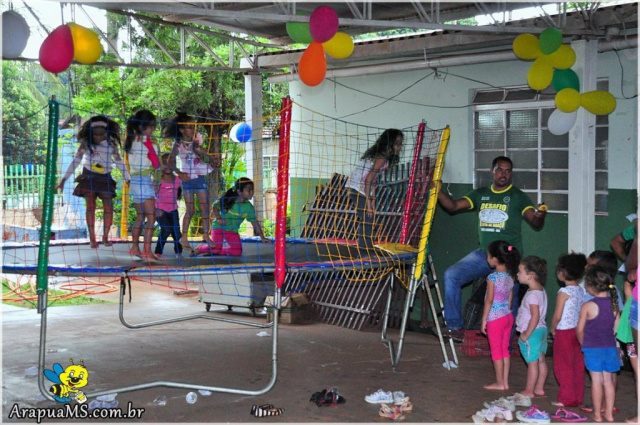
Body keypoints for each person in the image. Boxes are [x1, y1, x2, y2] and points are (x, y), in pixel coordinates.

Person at [437, 156, 547, 342]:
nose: (503, 174)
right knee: (451, 275)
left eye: (508, 170)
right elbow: (453, 206)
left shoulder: (518, 197)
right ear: (492, 171)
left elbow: (535, 222)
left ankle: (508, 339)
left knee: (509, 299)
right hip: (484, 254)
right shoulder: (480, 194)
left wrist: (540, 215)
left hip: (509, 257)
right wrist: (438, 191)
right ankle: (454, 327)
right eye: (500, 169)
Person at [55, 116, 130, 249]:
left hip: (105, 177)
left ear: (107, 132)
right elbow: (76, 161)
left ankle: (105, 237)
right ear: (90, 133)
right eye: (95, 134)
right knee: (90, 207)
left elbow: (119, 161)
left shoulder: (111, 145)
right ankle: (92, 238)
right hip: (89, 176)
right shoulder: (86, 144)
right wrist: (63, 179)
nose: (98, 137)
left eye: (102, 134)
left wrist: (127, 177)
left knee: (108, 207)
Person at [165, 112, 221, 254]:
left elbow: (198, 150)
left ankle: (206, 234)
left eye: (193, 126)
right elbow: (170, 161)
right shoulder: (178, 144)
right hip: (187, 180)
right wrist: (179, 173)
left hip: (199, 177)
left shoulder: (196, 140)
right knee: (191, 210)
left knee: (205, 207)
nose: (192, 129)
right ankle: (184, 237)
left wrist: (210, 156)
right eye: (189, 127)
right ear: (182, 130)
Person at [345, 129, 403, 249]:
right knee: (367, 217)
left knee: (368, 216)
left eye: (400, 143)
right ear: (389, 143)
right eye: (397, 143)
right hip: (357, 187)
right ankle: (364, 247)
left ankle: (366, 245)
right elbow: (368, 179)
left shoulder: (383, 156)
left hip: (359, 186)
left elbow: (373, 181)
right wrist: (368, 201)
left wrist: (373, 201)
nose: (400, 147)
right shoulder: (381, 157)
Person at [577, 265, 621, 423]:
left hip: (592, 349)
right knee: (608, 381)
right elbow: (617, 329)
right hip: (610, 348)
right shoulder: (615, 305)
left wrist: (583, 343)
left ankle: (597, 415)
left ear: (590, 286)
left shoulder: (587, 306)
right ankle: (609, 414)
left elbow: (580, 329)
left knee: (596, 382)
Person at [480, 240, 521, 391]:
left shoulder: (492, 278)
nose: (487, 259)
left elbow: (489, 300)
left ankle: (499, 382)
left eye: (489, 256)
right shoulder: (510, 276)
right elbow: (510, 300)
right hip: (508, 316)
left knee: (496, 351)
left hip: (495, 318)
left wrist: (484, 319)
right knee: (505, 350)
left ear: (495, 259)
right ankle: (505, 382)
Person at [549, 252, 587, 408]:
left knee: (563, 365)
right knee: (577, 365)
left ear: (562, 273)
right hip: (578, 332)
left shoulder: (564, 292)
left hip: (564, 333)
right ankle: (577, 397)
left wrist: (552, 328)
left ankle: (566, 398)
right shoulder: (581, 291)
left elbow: (557, 315)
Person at [123, 110, 161, 263]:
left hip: (134, 181)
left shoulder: (131, 141)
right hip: (144, 180)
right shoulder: (149, 143)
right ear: (143, 126)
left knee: (140, 216)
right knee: (151, 218)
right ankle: (147, 251)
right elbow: (157, 164)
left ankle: (135, 247)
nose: (152, 129)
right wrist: (157, 182)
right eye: (150, 126)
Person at [197, 177, 269, 256]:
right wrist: (219, 218)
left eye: (252, 190)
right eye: (248, 190)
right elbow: (215, 206)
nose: (251, 192)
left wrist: (262, 237)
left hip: (232, 231)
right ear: (239, 191)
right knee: (216, 247)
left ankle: (214, 251)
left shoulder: (249, 207)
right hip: (219, 227)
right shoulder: (229, 200)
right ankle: (200, 249)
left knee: (237, 251)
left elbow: (254, 223)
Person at [515, 255, 548, 399]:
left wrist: (526, 334)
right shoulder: (541, 290)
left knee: (532, 363)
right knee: (540, 359)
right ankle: (539, 388)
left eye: (520, 272)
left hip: (532, 332)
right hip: (542, 330)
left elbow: (535, 316)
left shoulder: (532, 295)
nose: (517, 274)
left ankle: (529, 391)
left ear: (530, 275)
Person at [154, 153, 182, 258]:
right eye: (164, 162)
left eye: (170, 162)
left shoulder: (178, 180)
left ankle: (178, 252)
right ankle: (158, 252)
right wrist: (155, 209)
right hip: (160, 209)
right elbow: (152, 194)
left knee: (176, 231)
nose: (167, 165)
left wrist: (176, 169)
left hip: (173, 209)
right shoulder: (158, 179)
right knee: (166, 229)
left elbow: (186, 177)